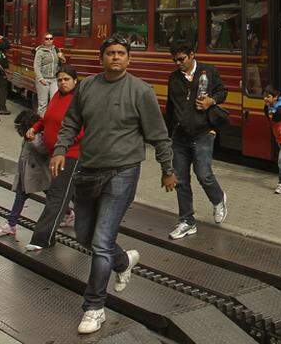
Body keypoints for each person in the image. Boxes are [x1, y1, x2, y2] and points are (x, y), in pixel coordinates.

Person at [51, 35, 176, 335]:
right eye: (110, 53)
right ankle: (123, 261)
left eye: (121, 53)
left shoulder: (141, 91)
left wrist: (167, 169)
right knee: (84, 235)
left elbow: (159, 134)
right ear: (101, 58)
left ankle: (94, 307)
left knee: (101, 242)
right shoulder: (87, 88)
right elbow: (71, 122)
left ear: (129, 60)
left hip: (123, 173)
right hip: (88, 170)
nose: (116, 58)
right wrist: (59, 149)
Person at [163, 42, 227, 239]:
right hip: (180, 136)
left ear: (192, 55)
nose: (178, 63)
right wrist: (166, 135)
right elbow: (170, 108)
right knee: (181, 180)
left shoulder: (209, 71)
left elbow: (222, 92)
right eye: (174, 60)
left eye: (181, 59)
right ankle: (187, 221)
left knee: (204, 174)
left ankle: (218, 199)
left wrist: (212, 101)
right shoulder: (173, 78)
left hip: (203, 132)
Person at [25, 64, 80, 251]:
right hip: (54, 155)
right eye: (60, 80)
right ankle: (91, 229)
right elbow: (47, 118)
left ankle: (42, 238)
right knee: (78, 195)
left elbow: (83, 128)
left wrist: (63, 146)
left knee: (57, 195)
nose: (63, 83)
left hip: (70, 155)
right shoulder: (57, 96)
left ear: (75, 80)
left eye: (66, 79)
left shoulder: (78, 100)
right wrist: (35, 128)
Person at [0, 110, 50, 238]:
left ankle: (68, 213)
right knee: (22, 196)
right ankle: (11, 224)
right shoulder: (29, 136)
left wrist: (33, 140)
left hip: (39, 174)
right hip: (31, 175)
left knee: (52, 196)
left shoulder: (38, 136)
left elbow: (43, 149)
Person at [33, 32, 65, 115]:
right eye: (47, 39)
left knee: (54, 101)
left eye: (51, 39)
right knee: (43, 104)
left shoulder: (56, 49)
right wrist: (41, 79)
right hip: (43, 79)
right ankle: (40, 123)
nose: (49, 40)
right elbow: (36, 66)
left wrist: (61, 57)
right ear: (43, 40)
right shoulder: (40, 51)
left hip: (54, 79)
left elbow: (63, 62)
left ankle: (51, 122)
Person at [0, 32, 11, 115]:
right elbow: (8, 45)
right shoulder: (0, 45)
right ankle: (2, 108)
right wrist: (4, 39)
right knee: (3, 88)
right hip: (1, 68)